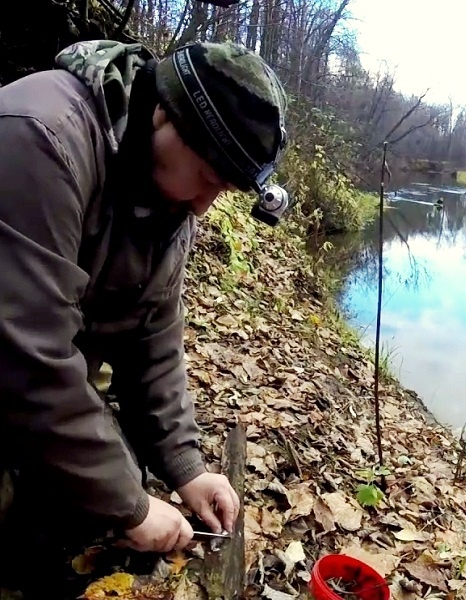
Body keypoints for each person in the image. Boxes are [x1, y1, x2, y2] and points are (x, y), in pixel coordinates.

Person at [0, 38, 288, 562]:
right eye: (206, 177)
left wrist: (187, 467)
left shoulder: (167, 198)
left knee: (103, 479)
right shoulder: (41, 138)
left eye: (223, 189)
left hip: (38, 368)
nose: (205, 203)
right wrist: (130, 504)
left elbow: (153, 338)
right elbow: (25, 357)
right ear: (162, 114)